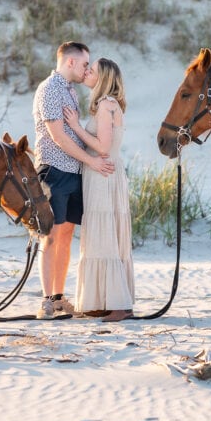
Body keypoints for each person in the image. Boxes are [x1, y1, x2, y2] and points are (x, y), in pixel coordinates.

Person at [32, 42, 114, 319]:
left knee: (66, 235)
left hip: (74, 171)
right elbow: (59, 136)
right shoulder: (50, 90)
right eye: (83, 64)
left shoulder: (71, 91)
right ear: (69, 62)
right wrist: (92, 161)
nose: (86, 69)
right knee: (50, 235)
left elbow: (76, 132)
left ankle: (58, 297)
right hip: (53, 169)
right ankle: (45, 299)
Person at [63, 58, 134, 322]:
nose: (87, 72)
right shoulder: (108, 104)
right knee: (102, 235)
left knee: (104, 235)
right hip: (103, 173)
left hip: (103, 174)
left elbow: (103, 147)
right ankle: (104, 300)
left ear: (103, 77)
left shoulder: (107, 105)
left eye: (91, 70)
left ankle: (118, 303)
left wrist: (75, 127)